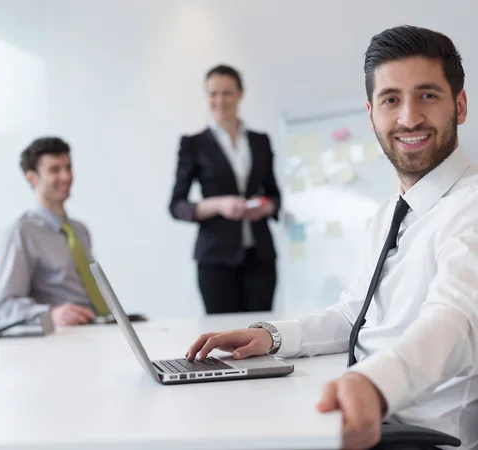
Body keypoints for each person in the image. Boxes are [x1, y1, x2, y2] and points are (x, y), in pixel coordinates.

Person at [186, 26, 478, 450]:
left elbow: (456, 320)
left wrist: (374, 385)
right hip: (370, 416)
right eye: (391, 99)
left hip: (421, 438)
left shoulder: (472, 208)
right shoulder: (387, 215)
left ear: (460, 104)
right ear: (371, 113)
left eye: (428, 95)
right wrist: (271, 335)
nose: (409, 117)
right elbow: (353, 315)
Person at [169, 64, 281, 314]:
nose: (220, 100)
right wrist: (219, 205)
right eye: (213, 94)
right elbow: (177, 205)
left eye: (227, 93)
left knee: (260, 331)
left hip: (260, 256)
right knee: (222, 335)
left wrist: (265, 207)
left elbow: (275, 195)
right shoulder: (193, 144)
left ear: (240, 94)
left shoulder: (259, 141)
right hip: (215, 258)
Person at [0, 137, 109, 327]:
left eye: (68, 167)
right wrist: (50, 315)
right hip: (65, 338)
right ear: (32, 177)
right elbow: (2, 309)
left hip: (101, 327)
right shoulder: (19, 232)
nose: (66, 176)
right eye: (55, 170)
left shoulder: (80, 231)